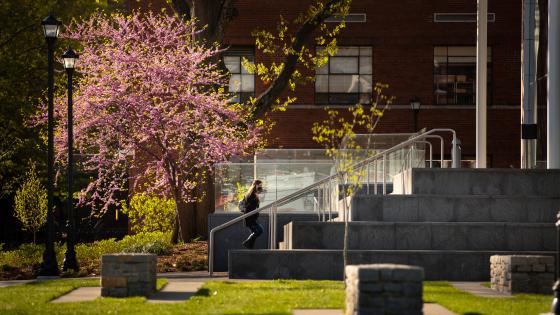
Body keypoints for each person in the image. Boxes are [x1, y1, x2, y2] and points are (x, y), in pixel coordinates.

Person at [240, 179, 264, 249]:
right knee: (260, 230)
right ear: (255, 185)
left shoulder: (253, 194)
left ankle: (249, 246)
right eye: (259, 185)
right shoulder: (251, 195)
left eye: (261, 185)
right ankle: (247, 243)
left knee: (256, 232)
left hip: (251, 218)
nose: (260, 187)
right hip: (250, 218)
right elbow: (249, 206)